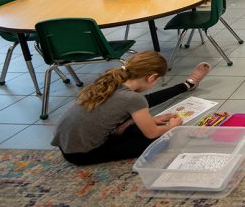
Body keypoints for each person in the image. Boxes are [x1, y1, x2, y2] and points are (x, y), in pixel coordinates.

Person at [51, 51, 211, 166]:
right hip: (81, 154)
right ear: (151, 77)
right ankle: (186, 86)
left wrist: (152, 120)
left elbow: (106, 113)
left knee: (139, 128)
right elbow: (152, 133)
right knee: (160, 140)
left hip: (66, 147)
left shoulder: (110, 81)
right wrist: (173, 126)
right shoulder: (134, 98)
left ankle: (186, 85)